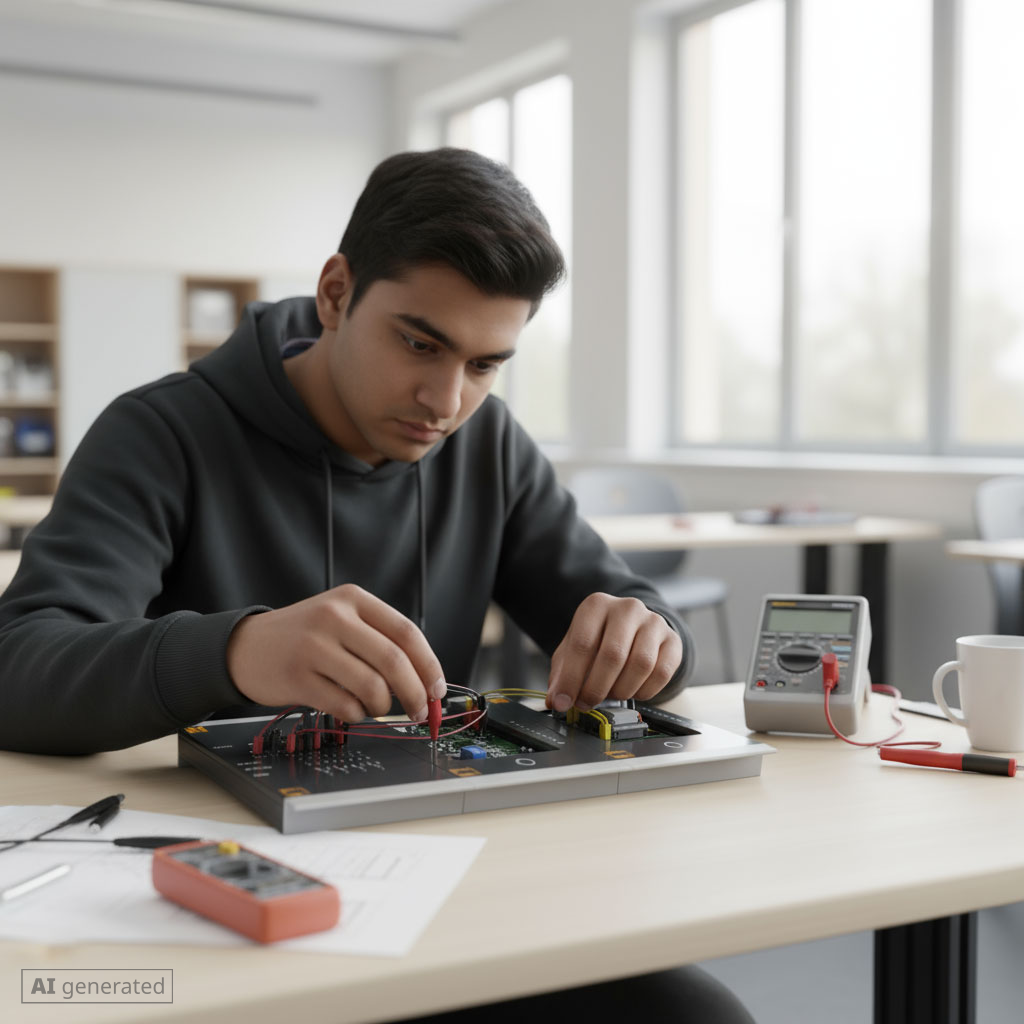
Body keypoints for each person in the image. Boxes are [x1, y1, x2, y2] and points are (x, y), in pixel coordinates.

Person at [0, 148, 755, 1022]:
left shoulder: (488, 444)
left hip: (451, 880)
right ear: (334, 293)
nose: (445, 399)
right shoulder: (160, 433)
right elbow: (19, 664)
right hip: (226, 902)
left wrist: (650, 632)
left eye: (485, 364)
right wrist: (238, 652)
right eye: (419, 343)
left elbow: (621, 608)